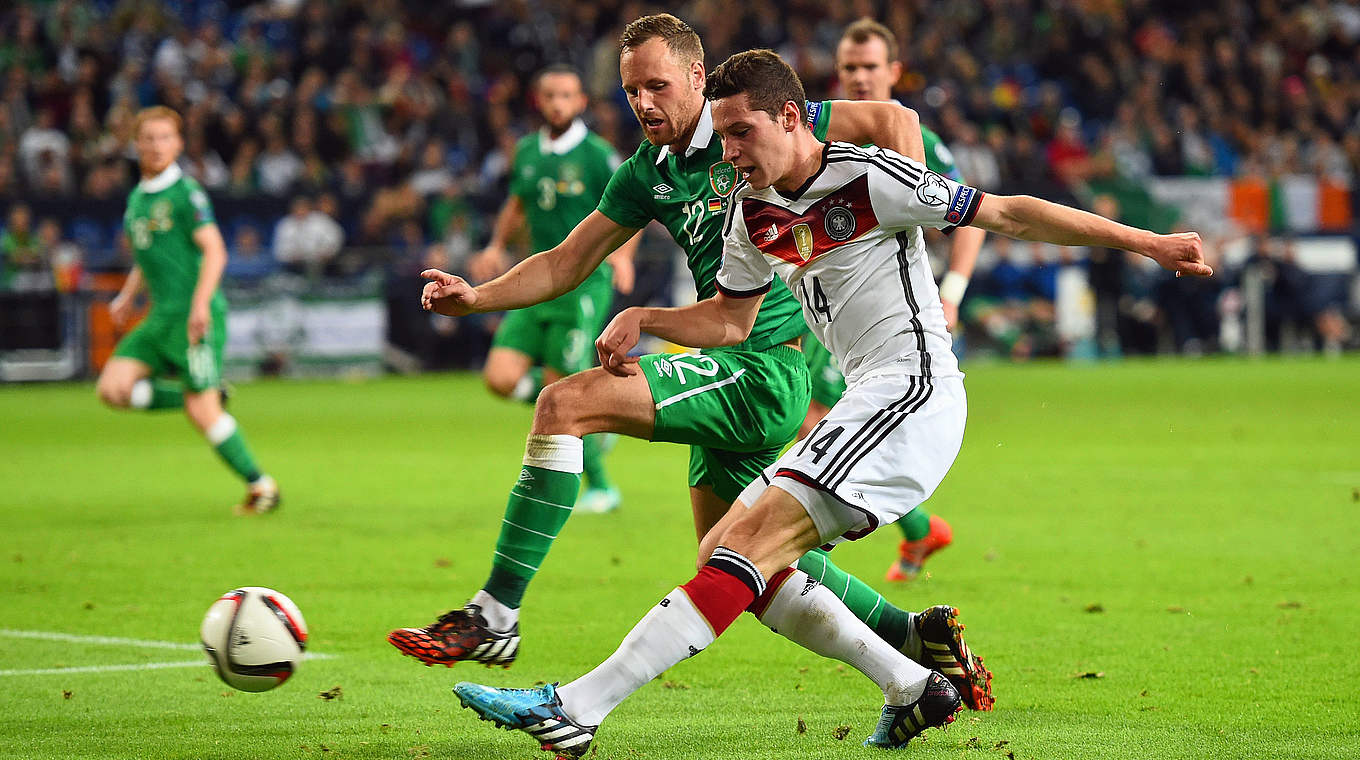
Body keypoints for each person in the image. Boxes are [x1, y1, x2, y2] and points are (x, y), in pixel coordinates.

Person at [452, 49, 1210, 757]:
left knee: (743, 552)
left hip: (912, 392)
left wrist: (1148, 244)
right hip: (865, 399)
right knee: (734, 552)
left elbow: (1008, 212)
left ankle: (576, 710)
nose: (732, 153)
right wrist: (648, 319)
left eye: (743, 133)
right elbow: (728, 320)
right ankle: (912, 682)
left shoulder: (873, 179)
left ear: (790, 118)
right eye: (723, 137)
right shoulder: (748, 213)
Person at [395, 15, 990, 715]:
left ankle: (496, 614)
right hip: (727, 357)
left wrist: (915, 211)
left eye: (657, 85)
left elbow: (893, 116)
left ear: (698, 81)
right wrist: (478, 297)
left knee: (564, 405)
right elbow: (565, 262)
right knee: (740, 558)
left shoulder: (749, 121)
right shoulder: (648, 173)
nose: (643, 103)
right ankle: (915, 640)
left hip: (762, 362)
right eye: (630, 91)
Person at [817, 17, 988, 582]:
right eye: (849, 68)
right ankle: (919, 531)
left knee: (814, 418)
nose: (860, 78)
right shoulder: (821, 136)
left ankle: (802, 553)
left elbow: (974, 218)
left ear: (893, 72)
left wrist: (953, 291)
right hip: (825, 306)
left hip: (891, 311)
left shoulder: (920, 142)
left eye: (870, 67)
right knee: (813, 418)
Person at [465, 64, 641, 515]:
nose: (558, 103)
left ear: (581, 102)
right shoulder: (525, 150)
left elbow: (637, 206)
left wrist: (622, 256)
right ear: (538, 102)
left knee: (560, 387)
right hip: (535, 278)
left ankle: (602, 487)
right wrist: (496, 245)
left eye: (567, 95)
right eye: (550, 95)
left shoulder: (598, 155)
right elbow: (519, 201)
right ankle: (599, 430)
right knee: (500, 377)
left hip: (584, 281)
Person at [95, 106, 279, 515]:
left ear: (178, 144)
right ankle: (203, 395)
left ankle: (262, 486)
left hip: (197, 314)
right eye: (149, 138)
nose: (157, 146)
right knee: (112, 389)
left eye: (165, 138)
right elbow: (149, 256)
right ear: (136, 144)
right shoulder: (138, 199)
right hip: (161, 315)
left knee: (204, 413)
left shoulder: (186, 193)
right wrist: (128, 295)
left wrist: (199, 305)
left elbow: (215, 250)